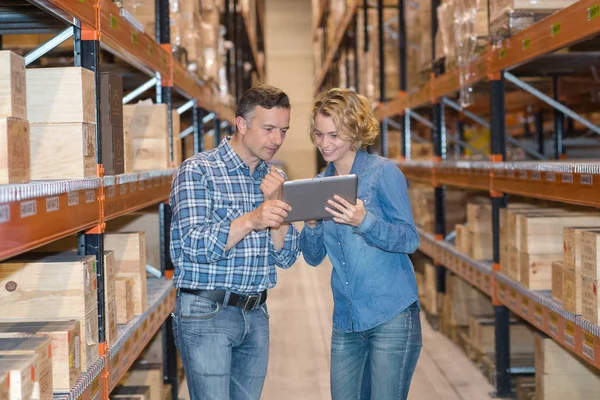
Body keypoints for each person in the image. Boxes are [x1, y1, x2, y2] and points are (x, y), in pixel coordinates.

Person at [169, 85, 301, 400]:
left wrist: (278, 218)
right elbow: (193, 244)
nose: (277, 139)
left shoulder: (274, 178)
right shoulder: (199, 171)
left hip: (256, 315)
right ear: (242, 124)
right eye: (268, 129)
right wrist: (252, 219)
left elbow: (285, 258)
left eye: (283, 130)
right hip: (207, 312)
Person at [299, 88, 422, 400]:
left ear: (354, 131)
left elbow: (409, 239)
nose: (324, 144)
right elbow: (313, 259)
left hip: (391, 316)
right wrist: (311, 226)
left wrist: (364, 222)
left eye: (334, 135)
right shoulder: (318, 185)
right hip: (347, 320)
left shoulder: (382, 173)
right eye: (318, 134)